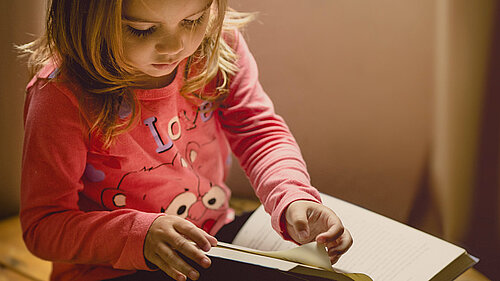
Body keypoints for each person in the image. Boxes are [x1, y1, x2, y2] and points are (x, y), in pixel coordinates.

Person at [19, 0, 353, 280]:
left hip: (213, 242)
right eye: (141, 28)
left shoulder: (217, 46)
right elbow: (43, 227)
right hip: (109, 271)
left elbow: (258, 131)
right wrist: (139, 234)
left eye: (193, 20)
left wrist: (292, 194)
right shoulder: (60, 95)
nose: (175, 46)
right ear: (82, 15)